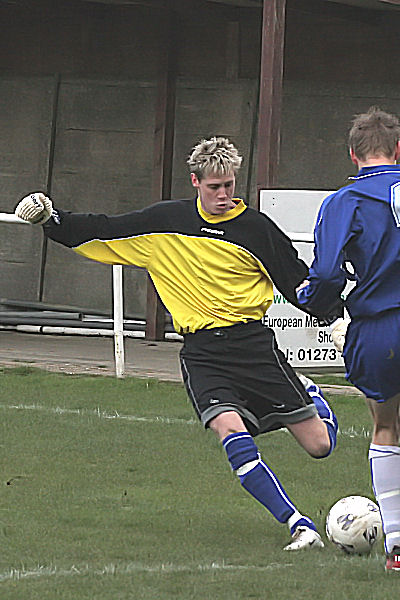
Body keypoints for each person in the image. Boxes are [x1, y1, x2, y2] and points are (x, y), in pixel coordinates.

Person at [15, 136, 340, 551]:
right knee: (229, 430)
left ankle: (307, 389)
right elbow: (104, 229)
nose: (224, 195)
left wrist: (336, 317)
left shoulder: (256, 230)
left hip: (253, 347)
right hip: (202, 354)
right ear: (195, 182)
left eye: (229, 185)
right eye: (214, 186)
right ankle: (299, 526)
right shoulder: (165, 221)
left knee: (319, 446)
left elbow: (298, 283)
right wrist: (51, 220)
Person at [296, 107, 400, 571]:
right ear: (398, 150)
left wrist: (318, 303)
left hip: (379, 328)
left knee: (387, 428)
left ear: (352, 154)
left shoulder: (345, 201)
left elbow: (324, 273)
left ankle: (396, 546)